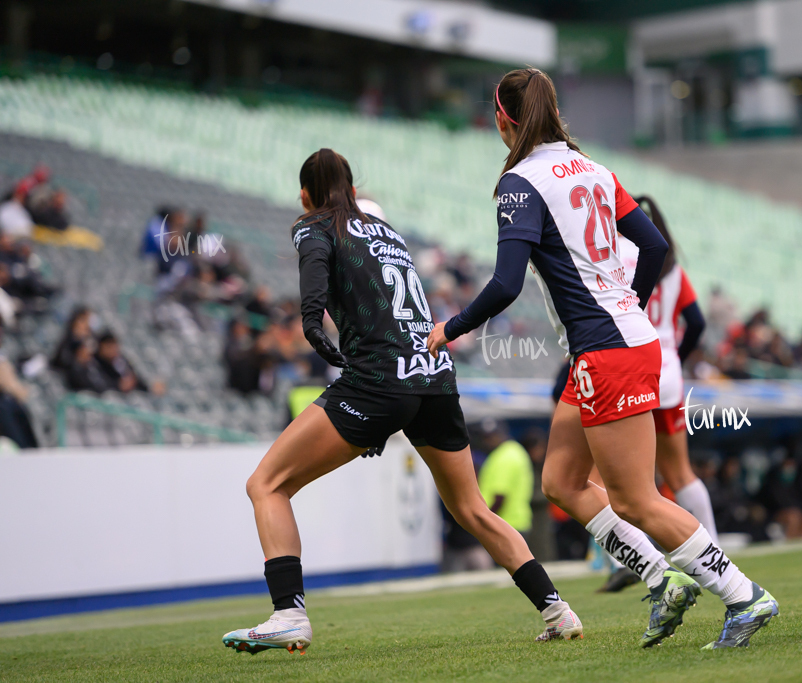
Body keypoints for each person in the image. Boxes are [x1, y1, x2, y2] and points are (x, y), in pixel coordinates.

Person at [426, 68, 778, 650]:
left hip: (606, 350)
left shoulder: (521, 182)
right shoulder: (593, 169)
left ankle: (744, 596)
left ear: (504, 118)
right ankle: (661, 578)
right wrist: (629, 305)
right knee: (562, 480)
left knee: (638, 499)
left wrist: (454, 327)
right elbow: (656, 246)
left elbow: (506, 283)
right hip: (617, 342)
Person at [223, 148, 582, 656]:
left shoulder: (313, 225)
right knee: (473, 508)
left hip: (378, 380)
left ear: (305, 195)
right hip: (434, 377)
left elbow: (316, 278)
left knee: (266, 484)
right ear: (352, 190)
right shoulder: (389, 233)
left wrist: (309, 322)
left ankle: (288, 614)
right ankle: (557, 610)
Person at [618, 195, 716, 540]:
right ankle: (713, 547)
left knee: (632, 480)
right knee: (682, 473)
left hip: (631, 367)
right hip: (668, 372)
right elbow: (697, 323)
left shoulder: (621, 258)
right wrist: (677, 354)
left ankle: (639, 559)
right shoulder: (674, 268)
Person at [477, 420, 535, 536]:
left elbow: (499, 497)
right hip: (516, 522)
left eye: (490, 437)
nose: (487, 441)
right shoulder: (515, 451)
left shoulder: (504, 456)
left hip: (506, 524)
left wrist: (486, 522)